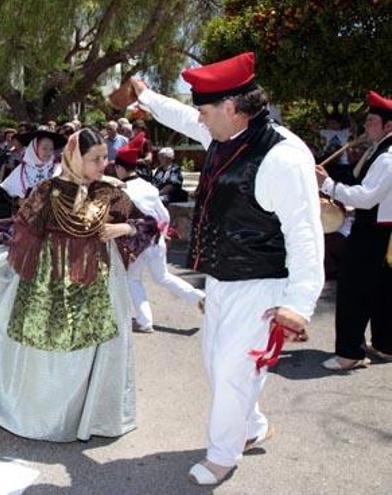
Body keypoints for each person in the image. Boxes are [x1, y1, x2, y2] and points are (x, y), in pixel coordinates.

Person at [132, 51, 324, 485]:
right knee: (218, 366)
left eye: (206, 111)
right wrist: (148, 97)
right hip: (221, 281)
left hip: (261, 284)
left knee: (232, 370)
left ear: (232, 108)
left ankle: (222, 455)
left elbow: (305, 235)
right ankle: (252, 426)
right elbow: (183, 117)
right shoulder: (223, 136)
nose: (199, 120)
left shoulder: (283, 156)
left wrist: (299, 305)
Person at [0, 129, 158, 441]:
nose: (104, 163)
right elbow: (21, 226)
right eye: (95, 159)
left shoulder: (110, 192)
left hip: (97, 284)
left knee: (90, 354)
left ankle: (91, 416)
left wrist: (121, 227)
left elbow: (149, 225)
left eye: (105, 157)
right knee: (50, 355)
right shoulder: (49, 191)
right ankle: (46, 417)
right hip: (50, 284)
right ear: (75, 158)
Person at [316, 91, 392, 370]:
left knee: (353, 289)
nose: (366, 127)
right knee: (383, 289)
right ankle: (385, 344)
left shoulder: (386, 158)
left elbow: (365, 197)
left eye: (372, 121)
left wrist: (327, 185)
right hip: (382, 231)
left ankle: (349, 353)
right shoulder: (381, 152)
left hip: (372, 232)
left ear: (388, 126)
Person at [113, 137, 205, 333]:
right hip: (155, 239)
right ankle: (197, 296)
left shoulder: (120, 190)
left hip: (135, 243)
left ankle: (145, 321)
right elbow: (164, 216)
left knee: (133, 279)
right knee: (162, 276)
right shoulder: (149, 187)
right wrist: (164, 235)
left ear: (120, 167)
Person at [0, 129, 66, 201]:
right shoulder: (22, 170)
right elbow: (6, 192)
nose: (48, 152)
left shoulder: (58, 169)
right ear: (35, 149)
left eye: (51, 149)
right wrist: (18, 200)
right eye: (44, 148)